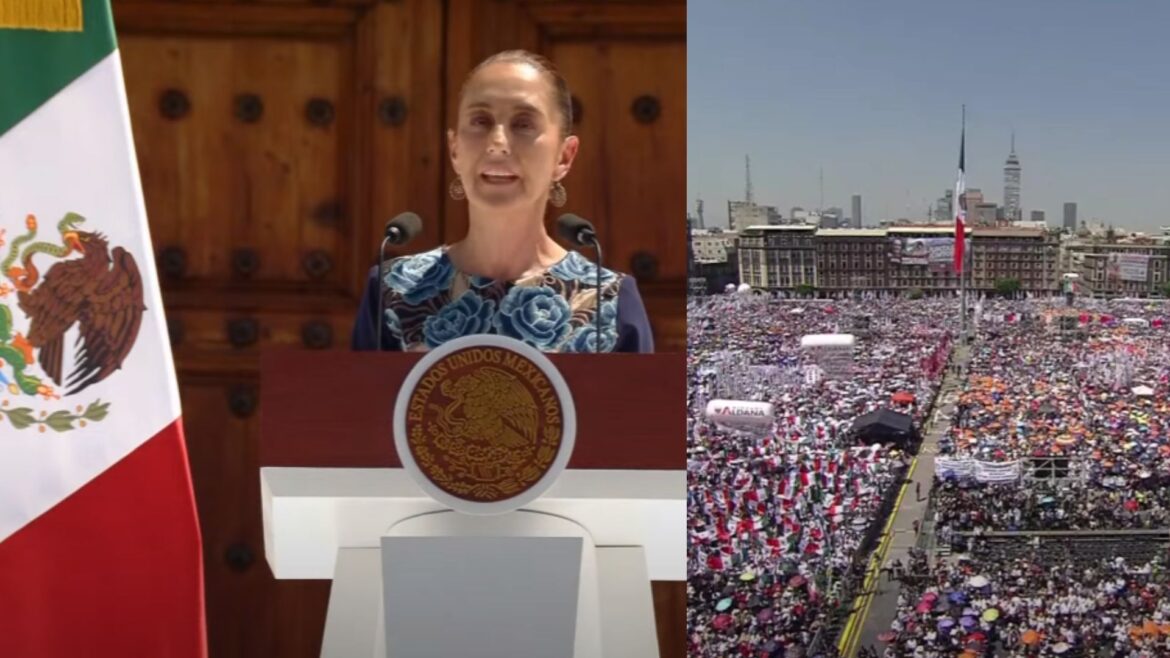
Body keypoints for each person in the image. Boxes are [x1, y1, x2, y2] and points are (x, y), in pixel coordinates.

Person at [351, 50, 653, 353]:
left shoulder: (610, 299)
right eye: (480, 121)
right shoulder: (393, 291)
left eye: (523, 124)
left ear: (564, 156)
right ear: (454, 149)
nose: (497, 143)